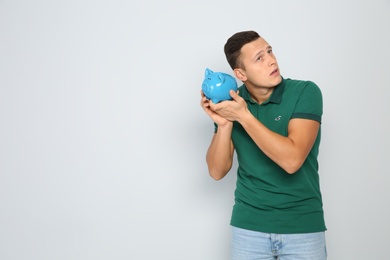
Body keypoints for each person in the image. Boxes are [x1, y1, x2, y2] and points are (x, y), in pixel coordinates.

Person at [200, 30, 327, 259]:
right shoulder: (232, 103)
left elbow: (292, 160)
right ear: (241, 74)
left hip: (302, 227)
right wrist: (225, 124)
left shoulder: (305, 92)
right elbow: (217, 171)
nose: (271, 60)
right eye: (259, 57)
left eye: (269, 51)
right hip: (248, 229)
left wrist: (244, 117)